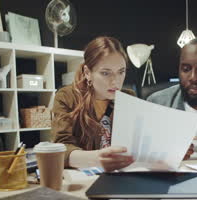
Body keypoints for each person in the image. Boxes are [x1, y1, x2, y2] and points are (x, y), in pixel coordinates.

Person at [52, 36, 135, 171]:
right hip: (83, 180)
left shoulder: (128, 98)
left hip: (122, 175)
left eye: (121, 72)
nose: (116, 81)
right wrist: (97, 159)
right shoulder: (67, 97)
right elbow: (61, 149)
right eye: (105, 73)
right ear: (87, 73)